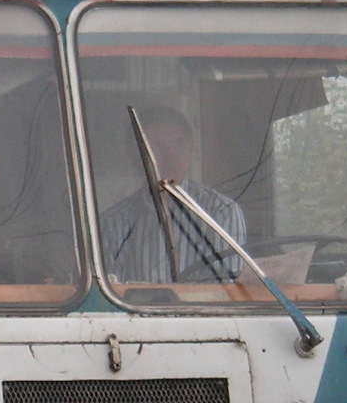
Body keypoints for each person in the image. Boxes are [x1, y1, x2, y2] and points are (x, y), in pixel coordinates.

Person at [99, 104, 246, 283]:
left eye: (178, 144)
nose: (170, 155)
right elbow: (110, 292)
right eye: (157, 146)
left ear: (192, 149)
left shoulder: (221, 212)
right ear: (135, 156)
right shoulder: (113, 223)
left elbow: (223, 292)